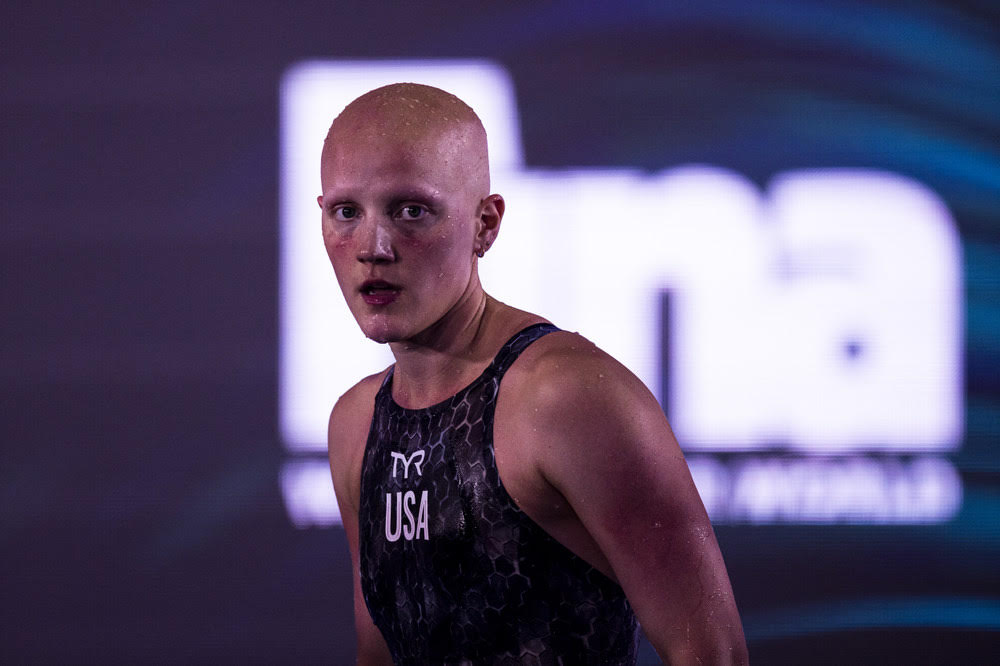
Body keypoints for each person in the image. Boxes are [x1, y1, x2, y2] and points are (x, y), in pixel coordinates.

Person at [320, 82, 748, 665]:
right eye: (346, 212)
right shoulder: (355, 424)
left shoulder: (565, 400)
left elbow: (713, 655)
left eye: (411, 210)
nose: (373, 246)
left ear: (485, 225)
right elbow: (381, 654)